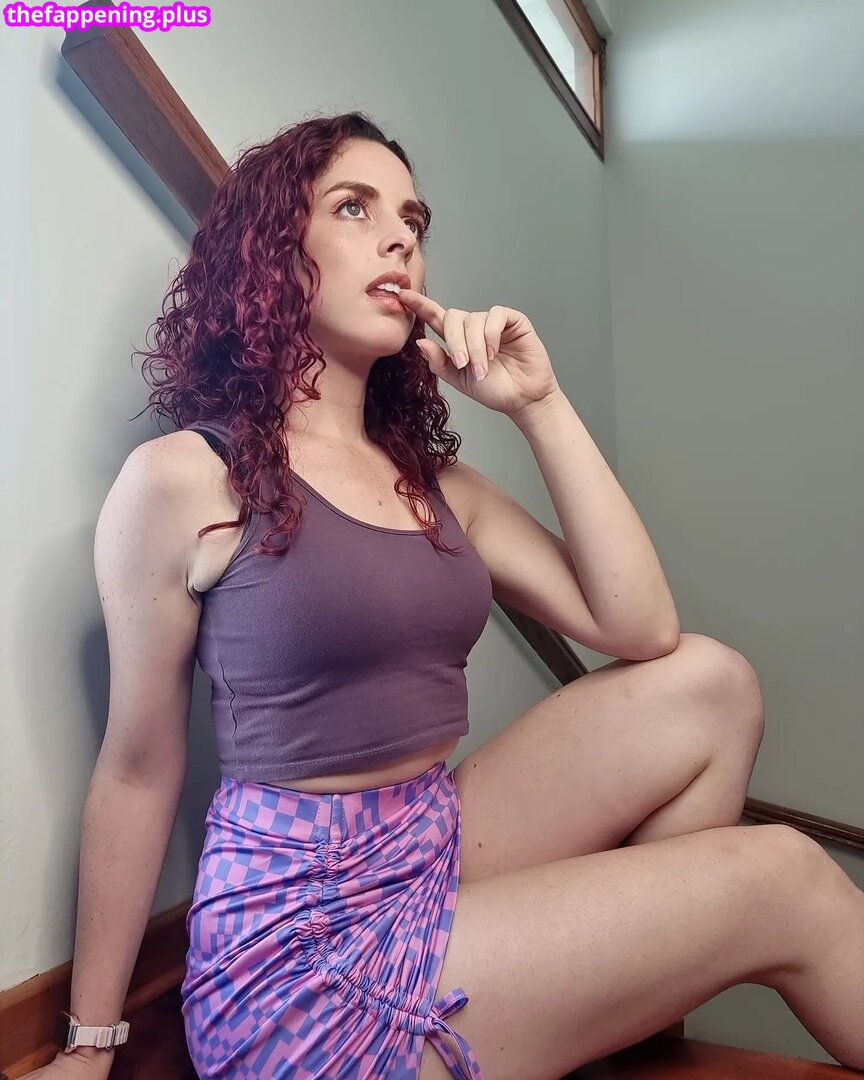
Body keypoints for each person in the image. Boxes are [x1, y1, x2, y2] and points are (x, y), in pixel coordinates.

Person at [23, 112, 864, 1079]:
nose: (400, 239)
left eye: (413, 222)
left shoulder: (436, 485)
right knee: (783, 876)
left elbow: (640, 626)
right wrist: (88, 1047)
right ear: (274, 250)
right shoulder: (183, 481)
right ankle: (613, 1001)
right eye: (355, 208)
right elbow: (136, 769)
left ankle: (619, 1013)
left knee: (713, 685)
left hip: (431, 848)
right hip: (304, 952)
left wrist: (539, 404)